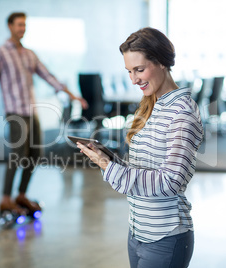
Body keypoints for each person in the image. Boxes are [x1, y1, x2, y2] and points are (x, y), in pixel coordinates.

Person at [77, 27, 203, 268]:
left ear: (162, 63)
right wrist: (110, 161)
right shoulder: (150, 106)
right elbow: (144, 168)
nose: (134, 80)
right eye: (129, 72)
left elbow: (171, 181)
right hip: (138, 231)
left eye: (139, 70)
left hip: (166, 236)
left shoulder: (182, 113)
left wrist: (108, 167)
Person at [0, 12, 88, 216]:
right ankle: (5, 199)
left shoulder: (29, 54)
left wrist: (72, 95)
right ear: (9, 26)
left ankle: (21, 195)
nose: (22, 29)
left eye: (24, 25)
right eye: (18, 25)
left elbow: (48, 75)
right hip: (15, 113)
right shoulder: (0, 53)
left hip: (31, 111)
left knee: (36, 155)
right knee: (18, 155)